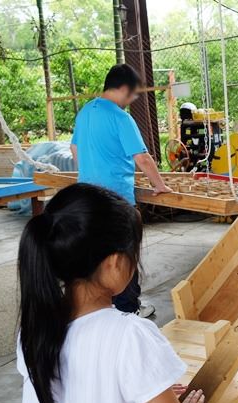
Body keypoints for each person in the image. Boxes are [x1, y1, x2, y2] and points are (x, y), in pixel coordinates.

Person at [17, 183, 209, 403]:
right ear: (115, 263)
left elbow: (86, 392)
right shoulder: (130, 335)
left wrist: (152, 390)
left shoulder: (33, 329)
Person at [70, 63, 171, 317]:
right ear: (124, 89)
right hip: (116, 199)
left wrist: (93, 171)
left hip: (87, 198)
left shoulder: (85, 112)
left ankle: (102, 308)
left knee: (98, 255)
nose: (132, 100)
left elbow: (74, 150)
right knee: (123, 256)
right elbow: (143, 158)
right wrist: (160, 186)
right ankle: (128, 310)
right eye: (133, 94)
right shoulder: (120, 117)